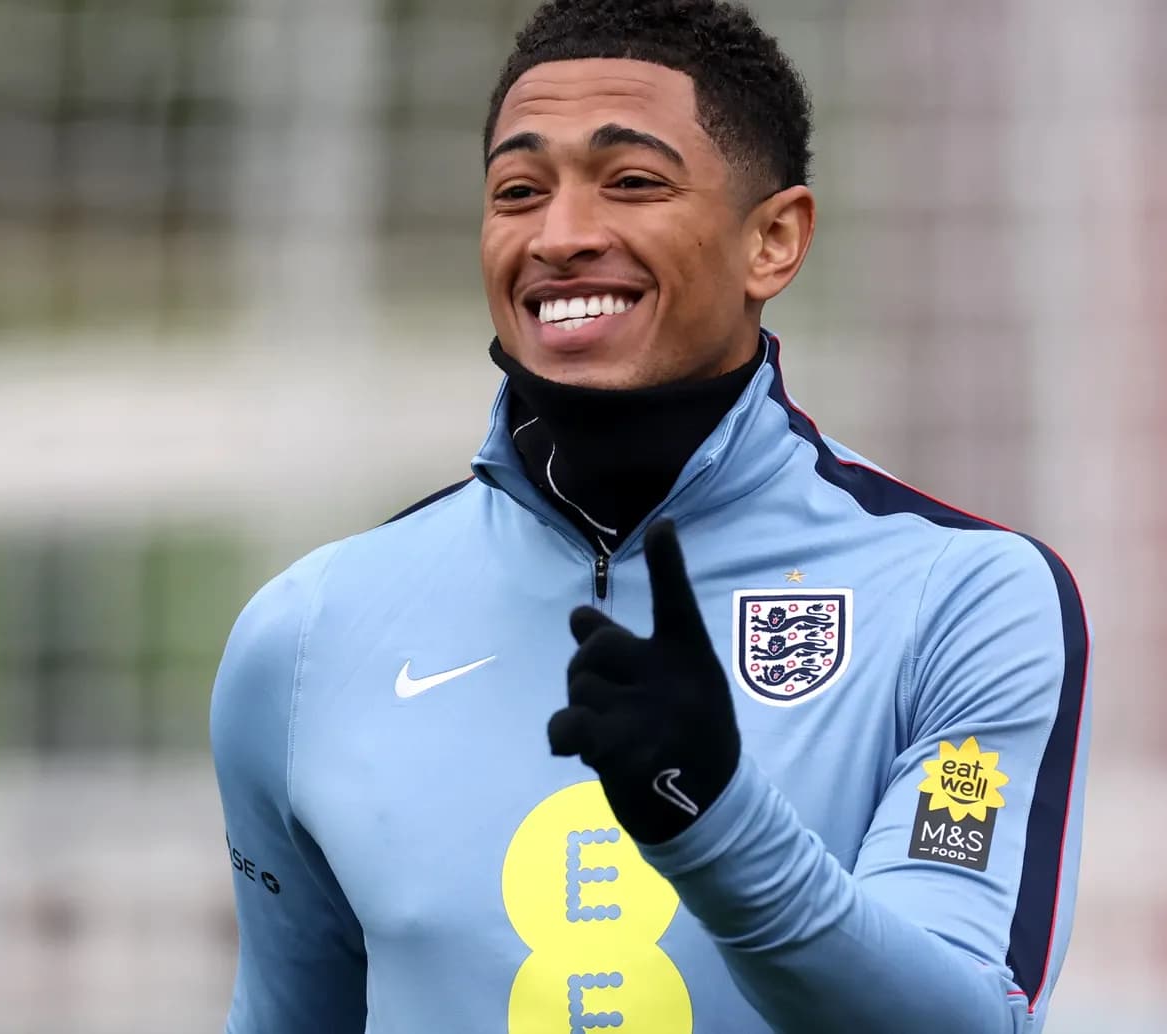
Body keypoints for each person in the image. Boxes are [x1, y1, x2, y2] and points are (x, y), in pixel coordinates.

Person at [210, 1, 1091, 1030]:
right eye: (517, 190)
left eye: (631, 182)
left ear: (774, 238)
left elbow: (965, 1019)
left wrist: (715, 819)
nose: (562, 235)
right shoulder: (309, 634)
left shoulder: (962, 595)